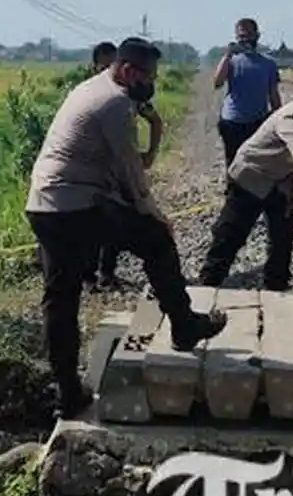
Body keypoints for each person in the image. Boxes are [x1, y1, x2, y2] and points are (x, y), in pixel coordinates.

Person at [27, 37, 227, 419]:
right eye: (148, 76)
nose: (151, 82)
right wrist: (153, 214)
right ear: (128, 71)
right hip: (74, 205)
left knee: (61, 298)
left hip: (45, 204)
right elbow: (130, 171)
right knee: (156, 241)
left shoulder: (91, 88)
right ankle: (184, 326)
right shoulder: (114, 102)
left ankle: (67, 394)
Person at [198, 72, 293, 291]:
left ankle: (276, 290)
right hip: (250, 176)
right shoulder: (290, 118)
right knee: (231, 234)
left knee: (283, 237)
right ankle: (207, 286)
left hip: (279, 180)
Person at [86, 41, 164, 290]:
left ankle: (106, 274)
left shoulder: (131, 96)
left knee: (112, 228)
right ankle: (90, 276)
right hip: (92, 176)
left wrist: (149, 154)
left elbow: (155, 121)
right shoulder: (96, 94)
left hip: (116, 171)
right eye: (104, 65)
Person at [213, 18, 283, 167]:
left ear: (257, 36)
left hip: (257, 120)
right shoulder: (231, 61)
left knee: (255, 161)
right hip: (232, 120)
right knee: (233, 161)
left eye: (249, 35)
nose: (246, 40)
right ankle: (232, 187)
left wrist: (279, 118)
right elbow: (217, 82)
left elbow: (274, 94)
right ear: (236, 39)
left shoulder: (268, 63)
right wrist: (227, 55)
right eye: (241, 37)